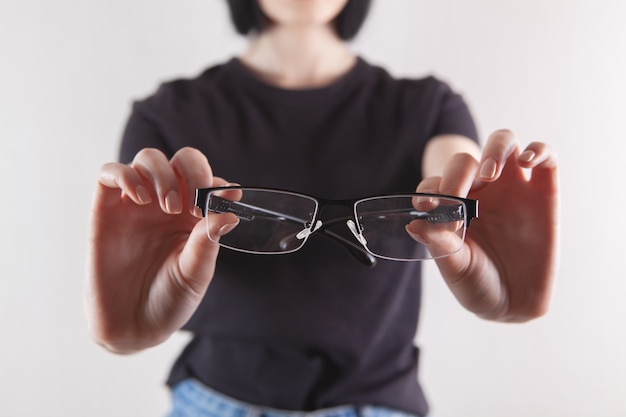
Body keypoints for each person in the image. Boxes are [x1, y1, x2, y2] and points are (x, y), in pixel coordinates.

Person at [86, 1, 559, 416]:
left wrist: (472, 204)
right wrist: (126, 332)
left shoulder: (428, 107)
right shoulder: (165, 114)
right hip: (211, 401)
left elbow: (456, 175)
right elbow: (141, 260)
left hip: (380, 405)